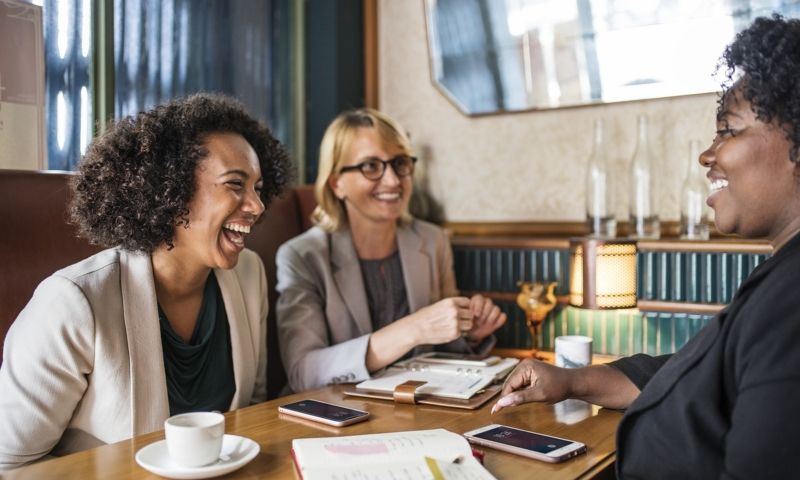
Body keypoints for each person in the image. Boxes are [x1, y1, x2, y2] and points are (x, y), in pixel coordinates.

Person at [492, 15, 800, 479]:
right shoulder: (781, 277)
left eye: (728, 130)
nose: (707, 154)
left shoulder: (793, 304)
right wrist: (572, 381)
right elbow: (694, 376)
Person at [0, 94, 292, 469]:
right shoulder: (73, 303)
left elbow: (250, 413)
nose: (257, 205)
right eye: (236, 184)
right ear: (170, 190)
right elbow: (9, 463)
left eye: (258, 187)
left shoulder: (248, 275)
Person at [276, 108, 506, 393]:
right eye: (371, 166)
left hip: (420, 406)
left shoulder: (433, 241)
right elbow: (303, 372)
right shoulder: (302, 256)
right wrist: (414, 329)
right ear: (337, 184)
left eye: (399, 163)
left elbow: (444, 350)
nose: (393, 181)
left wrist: (469, 333)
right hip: (338, 415)